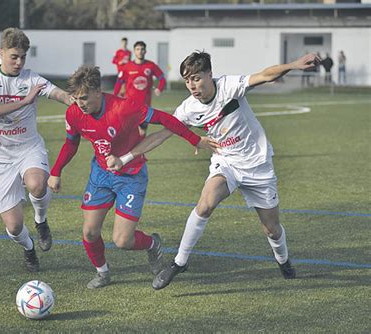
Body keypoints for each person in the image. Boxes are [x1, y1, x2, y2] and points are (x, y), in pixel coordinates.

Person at [106, 51, 321, 290]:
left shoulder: (230, 86)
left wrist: (294, 65)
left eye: (197, 78)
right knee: (205, 203)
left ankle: (283, 260)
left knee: (271, 229)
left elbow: (264, 75)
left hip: (257, 165)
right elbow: (162, 134)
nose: (192, 85)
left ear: (210, 74)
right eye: (187, 80)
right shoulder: (188, 108)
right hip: (225, 162)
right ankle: (179, 262)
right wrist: (125, 158)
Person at [47, 65, 217, 289]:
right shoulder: (74, 113)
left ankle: (152, 244)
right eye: (76, 99)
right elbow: (71, 143)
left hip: (131, 175)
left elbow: (166, 119)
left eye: (85, 98)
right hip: (101, 175)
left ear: (98, 91)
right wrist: (56, 172)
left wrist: (195, 140)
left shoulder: (123, 107)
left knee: (123, 240)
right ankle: (102, 272)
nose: (80, 104)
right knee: (89, 232)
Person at [0, 27, 71, 272]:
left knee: (37, 184)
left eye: (23, 57)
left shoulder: (31, 79)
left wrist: (78, 101)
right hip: (0, 159)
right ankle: (29, 248)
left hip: (29, 148)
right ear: (1, 52)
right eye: (14, 57)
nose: (19, 62)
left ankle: (41, 221)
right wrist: (24, 101)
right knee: (14, 226)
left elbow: (58, 93)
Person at [113, 41, 166, 106]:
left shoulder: (151, 65)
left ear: (145, 51)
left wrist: (159, 88)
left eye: (142, 49)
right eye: (137, 49)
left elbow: (162, 79)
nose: (140, 51)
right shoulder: (127, 66)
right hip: (130, 104)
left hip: (145, 104)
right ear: (134, 51)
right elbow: (119, 82)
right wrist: (114, 96)